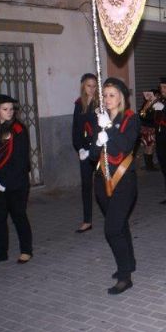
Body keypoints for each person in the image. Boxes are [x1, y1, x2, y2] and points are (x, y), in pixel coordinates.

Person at [90, 77, 140, 295]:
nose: (107, 99)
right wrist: (97, 142)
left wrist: (109, 128)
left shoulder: (131, 118)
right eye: (105, 95)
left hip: (123, 181)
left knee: (112, 229)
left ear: (121, 97)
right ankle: (129, 262)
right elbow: (93, 155)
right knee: (119, 225)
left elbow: (125, 144)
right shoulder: (100, 118)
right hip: (102, 180)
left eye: (112, 95)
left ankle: (124, 276)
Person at [0, 94, 33, 264]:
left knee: (19, 216)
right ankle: (0, 252)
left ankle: (26, 250)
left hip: (16, 182)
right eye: (5, 109)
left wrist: (6, 182)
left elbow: (21, 160)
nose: (9, 112)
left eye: (11, 109)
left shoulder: (18, 129)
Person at [141, 77, 166, 208]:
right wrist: (149, 105)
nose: (162, 90)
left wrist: (164, 108)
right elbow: (145, 116)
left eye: (165, 87)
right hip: (161, 139)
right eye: (161, 87)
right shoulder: (160, 100)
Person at [72, 73, 99, 233]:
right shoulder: (78, 104)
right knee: (86, 185)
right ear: (83, 86)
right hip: (85, 149)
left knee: (103, 184)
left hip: (98, 147)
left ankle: (111, 215)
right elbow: (76, 128)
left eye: (94, 86)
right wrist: (80, 148)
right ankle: (87, 220)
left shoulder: (100, 103)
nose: (92, 89)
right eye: (89, 85)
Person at [137, 89, 159, 171]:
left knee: (149, 147)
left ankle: (149, 165)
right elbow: (142, 115)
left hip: (149, 128)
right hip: (148, 129)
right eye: (156, 95)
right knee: (149, 147)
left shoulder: (156, 104)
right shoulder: (147, 105)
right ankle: (149, 166)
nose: (157, 97)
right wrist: (147, 106)